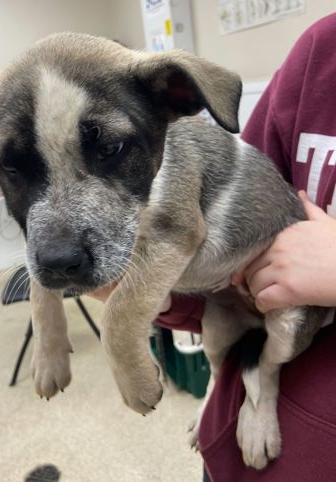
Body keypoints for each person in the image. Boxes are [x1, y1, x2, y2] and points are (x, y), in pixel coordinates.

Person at [91, 13, 336, 481]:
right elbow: (209, 238)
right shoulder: (320, 50)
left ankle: (260, 383)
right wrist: (151, 298)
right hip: (230, 424)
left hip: (305, 420)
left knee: (277, 338)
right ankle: (223, 394)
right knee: (220, 334)